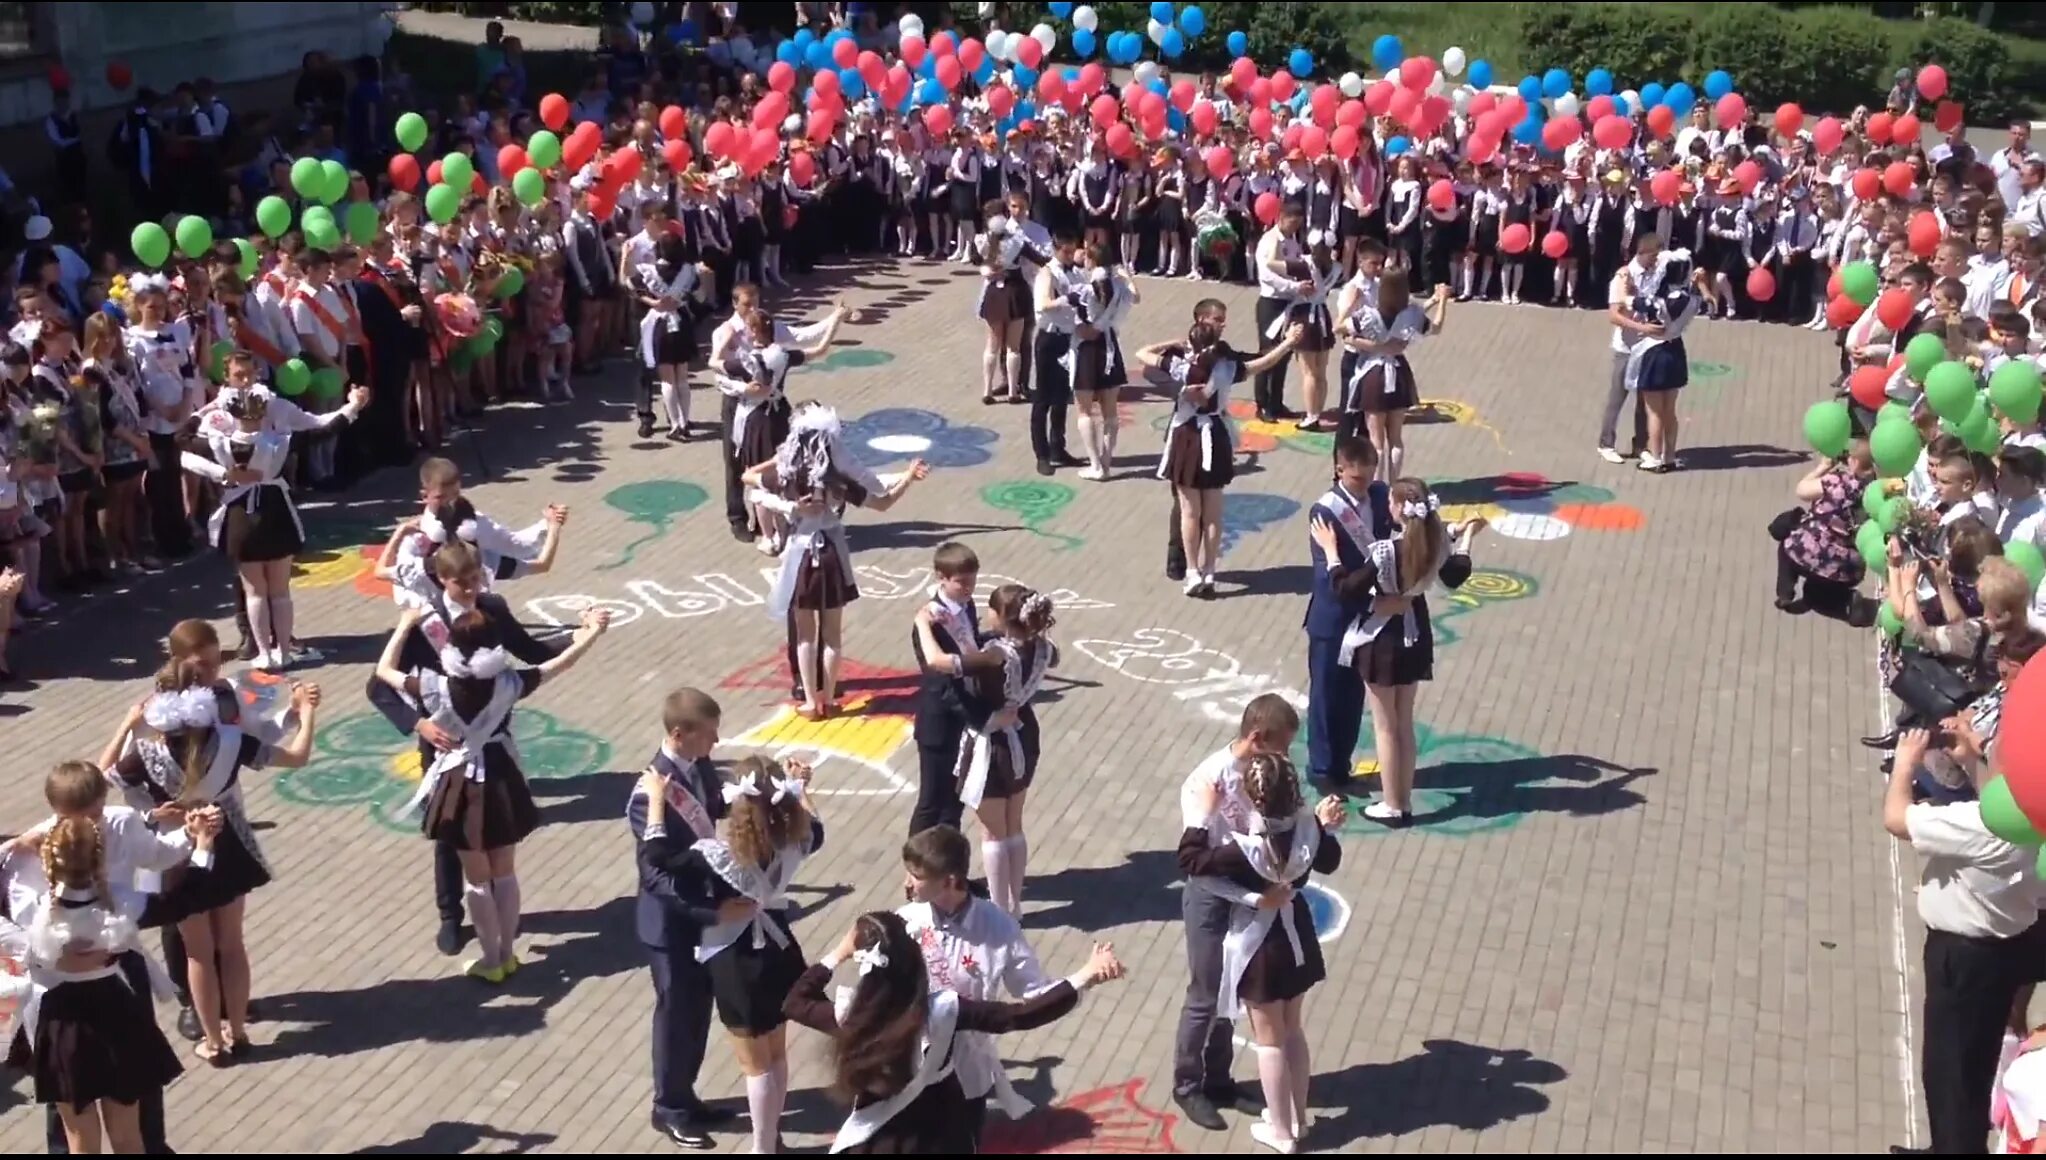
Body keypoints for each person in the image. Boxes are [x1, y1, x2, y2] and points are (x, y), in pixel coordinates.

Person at [100, 653, 323, 1065]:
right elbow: (296, 756)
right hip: (229, 843)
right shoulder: (231, 742)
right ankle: (238, 1032)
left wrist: (127, 726)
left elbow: (101, 776)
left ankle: (213, 1042)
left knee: (198, 953)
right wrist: (305, 713)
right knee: (232, 945)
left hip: (180, 850)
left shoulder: (146, 753)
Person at [372, 602, 608, 982]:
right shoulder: (509, 683)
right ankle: (508, 955)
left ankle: (492, 959)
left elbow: (384, 672)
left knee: (477, 880)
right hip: (502, 776)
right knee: (506, 872)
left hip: (459, 782)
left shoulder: (435, 685)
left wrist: (403, 625)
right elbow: (561, 664)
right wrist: (593, 632)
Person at [363, 540, 575, 957]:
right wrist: (419, 723)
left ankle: (499, 922)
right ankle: (450, 917)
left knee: (497, 832)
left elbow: (530, 651)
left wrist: (576, 634)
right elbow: (378, 686)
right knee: (449, 835)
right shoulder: (425, 622)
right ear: (441, 580)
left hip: (492, 743)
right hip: (444, 748)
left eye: (476, 579)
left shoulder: (492, 608)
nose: (471, 589)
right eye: (462, 583)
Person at [780, 910, 1124, 1153]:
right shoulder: (944, 1009)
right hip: (943, 1134)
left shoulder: (850, 1015)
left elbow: (795, 1001)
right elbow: (1021, 1015)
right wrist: (1084, 976)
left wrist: (837, 954)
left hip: (877, 1140)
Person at [8, 759, 194, 1154]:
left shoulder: (123, 823)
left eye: (93, 814)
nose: (88, 826)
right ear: (55, 811)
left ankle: (152, 1144)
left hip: (112, 970)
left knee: (135, 1079)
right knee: (71, 1099)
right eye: (76, 817)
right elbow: (24, 927)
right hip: (63, 986)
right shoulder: (37, 848)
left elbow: (157, 857)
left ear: (104, 800)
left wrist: (190, 837)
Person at [640, 754, 821, 1155]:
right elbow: (818, 829)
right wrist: (802, 789)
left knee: (754, 1065)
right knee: (776, 1055)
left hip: (738, 961)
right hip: (779, 950)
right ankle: (773, 1141)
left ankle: (762, 1148)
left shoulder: (716, 854)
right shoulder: (793, 840)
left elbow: (656, 858)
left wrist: (656, 800)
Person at [1884, 725, 2046, 1154]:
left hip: (1964, 956)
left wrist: (1905, 761)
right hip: (2007, 945)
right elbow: (2003, 807)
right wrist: (1974, 761)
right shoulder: (2034, 821)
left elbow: (1897, 818)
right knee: (1973, 1064)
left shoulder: (1981, 830)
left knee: (1950, 1075)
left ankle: (1954, 1149)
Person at [1179, 754, 1347, 1153]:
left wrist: (1204, 814)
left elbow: (1190, 859)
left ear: (1253, 800)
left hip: (1262, 946)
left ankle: (1282, 1132)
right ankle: (1298, 1118)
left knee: (1268, 1039)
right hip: (1298, 935)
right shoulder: (1307, 831)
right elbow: (1331, 859)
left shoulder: (1245, 850)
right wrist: (1324, 826)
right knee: (1293, 1028)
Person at [1310, 478, 1482, 823]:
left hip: (1384, 642)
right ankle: (1403, 800)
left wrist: (1330, 552)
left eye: (1390, 501)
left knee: (1386, 727)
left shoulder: (1387, 552)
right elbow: (1455, 574)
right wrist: (1465, 537)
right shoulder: (1433, 543)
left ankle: (1394, 804)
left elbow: (1347, 587)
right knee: (1404, 723)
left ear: (1398, 508)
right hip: (1416, 635)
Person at [743, 403, 929, 719]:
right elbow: (881, 500)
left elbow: (751, 484)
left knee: (804, 635)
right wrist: (908, 477)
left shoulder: (787, 472)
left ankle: (809, 703)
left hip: (800, 555)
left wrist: (789, 508)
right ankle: (828, 700)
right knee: (832, 634)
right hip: (832, 553)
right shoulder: (835, 483)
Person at [181, 358, 369, 669]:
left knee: (255, 592)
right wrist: (352, 407)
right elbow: (325, 429)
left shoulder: (221, 442)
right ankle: (282, 650)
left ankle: (264, 654)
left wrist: (224, 474)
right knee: (280, 591)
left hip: (241, 514)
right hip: (276, 509)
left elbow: (182, 445)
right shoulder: (278, 441)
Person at [1173, 694, 1300, 1132]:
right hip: (1212, 898)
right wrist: (1253, 899)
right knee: (1206, 993)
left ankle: (1221, 1079)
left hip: (1249, 896)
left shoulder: (1265, 774)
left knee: (1234, 989)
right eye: (1281, 748)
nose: (1285, 758)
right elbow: (1198, 869)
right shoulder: (1205, 782)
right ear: (1256, 737)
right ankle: (1188, 1084)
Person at [897, 825, 1055, 1145]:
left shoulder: (998, 929)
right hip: (914, 1065)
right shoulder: (905, 920)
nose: (907, 883)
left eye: (916, 875)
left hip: (967, 1069)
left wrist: (1083, 981)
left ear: (950, 881)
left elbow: (1035, 991)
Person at [1137, 317, 1304, 597]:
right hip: (1216, 436)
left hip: (1187, 437)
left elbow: (1142, 353)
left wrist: (1170, 343)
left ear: (1193, 343)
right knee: (1213, 513)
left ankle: (1191, 572)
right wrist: (1288, 343)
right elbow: (1263, 363)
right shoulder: (1228, 368)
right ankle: (1210, 570)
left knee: (1190, 512)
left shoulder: (1182, 367)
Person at [952, 585, 1056, 917]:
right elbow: (1051, 653)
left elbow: (955, 664)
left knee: (993, 832)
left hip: (993, 740)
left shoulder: (998, 655)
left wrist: (931, 628)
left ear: (1004, 616)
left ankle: (1000, 911)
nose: (986, 615)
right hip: (1024, 733)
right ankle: (1015, 905)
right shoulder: (1041, 648)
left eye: (990, 610)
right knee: (1014, 824)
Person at [1303, 437, 1393, 793]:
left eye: (1369, 476)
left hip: (1369, 617)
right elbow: (1330, 572)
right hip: (1334, 617)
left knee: (1354, 694)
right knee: (1326, 697)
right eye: (1357, 479)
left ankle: (1343, 762)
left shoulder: (1382, 495)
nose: (1365, 485)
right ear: (1340, 470)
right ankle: (1324, 769)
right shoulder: (1325, 511)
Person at [908, 542, 982, 838]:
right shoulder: (930, 622)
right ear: (941, 577)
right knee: (931, 803)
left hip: (965, 723)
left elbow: (972, 644)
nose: (968, 588)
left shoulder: (968, 605)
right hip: (940, 726)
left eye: (972, 581)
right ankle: (916, 874)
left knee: (955, 802)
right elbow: (939, 682)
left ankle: (952, 875)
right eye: (961, 582)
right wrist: (978, 714)